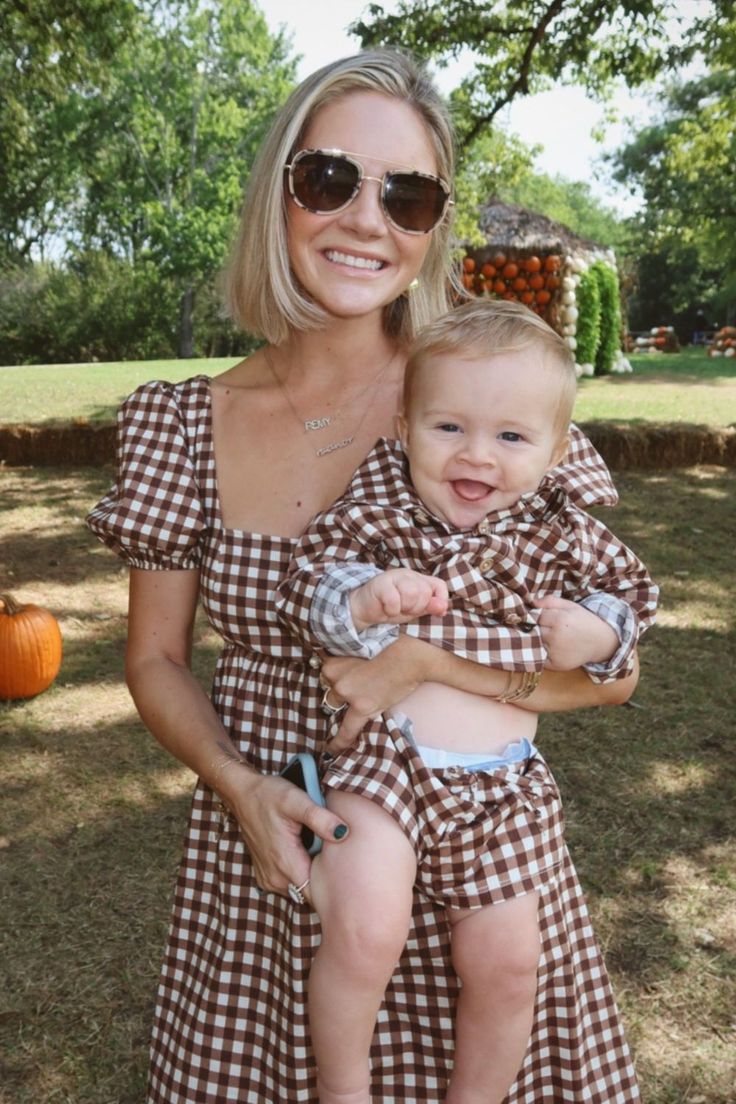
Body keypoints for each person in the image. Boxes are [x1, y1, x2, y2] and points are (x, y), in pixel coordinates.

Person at [87, 49, 643, 1104]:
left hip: (476, 858)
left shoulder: (487, 405)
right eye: (330, 179)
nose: (366, 220)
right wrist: (242, 789)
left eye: (409, 194)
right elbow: (155, 659)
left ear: (433, 223)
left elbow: (610, 677)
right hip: (273, 858)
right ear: (279, 193)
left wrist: (424, 662)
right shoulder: (180, 424)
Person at [276, 298, 658, 1102]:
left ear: (556, 451)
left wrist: (596, 633)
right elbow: (309, 584)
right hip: (388, 767)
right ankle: (342, 1090)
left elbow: (633, 601)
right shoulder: (381, 508)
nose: (474, 456)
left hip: (504, 784)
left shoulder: (563, 533)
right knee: (365, 928)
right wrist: (366, 598)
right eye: (448, 428)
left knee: (511, 964)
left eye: (511, 437)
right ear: (407, 424)